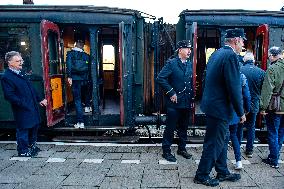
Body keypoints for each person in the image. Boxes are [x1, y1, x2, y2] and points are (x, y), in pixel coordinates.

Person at [194, 28, 246, 187]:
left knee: (222, 140)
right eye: (242, 40)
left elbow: (204, 77)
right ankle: (201, 175)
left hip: (212, 105)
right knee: (214, 142)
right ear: (236, 40)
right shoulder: (231, 56)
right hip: (220, 108)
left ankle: (222, 171)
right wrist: (241, 112)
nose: (243, 44)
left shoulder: (216, 54)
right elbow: (234, 87)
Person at [1, 51, 47, 157]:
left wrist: (39, 99)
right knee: (24, 129)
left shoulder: (21, 72)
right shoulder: (7, 77)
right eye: (18, 61)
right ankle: (23, 150)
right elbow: (9, 95)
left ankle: (32, 146)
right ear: (9, 62)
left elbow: (31, 88)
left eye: (21, 60)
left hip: (31, 105)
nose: (21, 62)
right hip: (22, 108)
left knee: (34, 126)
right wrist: (23, 104)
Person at [156, 40, 194, 162]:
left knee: (184, 127)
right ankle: (166, 151)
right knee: (170, 128)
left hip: (186, 101)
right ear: (180, 50)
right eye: (187, 48)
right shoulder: (171, 63)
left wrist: (192, 98)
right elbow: (160, 78)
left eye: (190, 49)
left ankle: (181, 148)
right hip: (174, 103)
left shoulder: (189, 64)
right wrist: (171, 92)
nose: (189, 51)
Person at [260, 46, 284, 169]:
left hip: (275, 107)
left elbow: (267, 90)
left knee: (273, 132)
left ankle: (273, 159)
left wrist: (263, 107)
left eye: (269, 56)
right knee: (281, 132)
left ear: (272, 56)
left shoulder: (272, 69)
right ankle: (276, 155)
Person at [240, 52, 265, 158]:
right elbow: (264, 89)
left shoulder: (239, 70)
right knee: (251, 127)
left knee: (239, 126)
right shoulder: (261, 72)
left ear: (244, 60)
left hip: (241, 104)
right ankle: (249, 150)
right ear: (253, 61)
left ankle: (238, 146)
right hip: (254, 103)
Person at [66, 37, 91, 129]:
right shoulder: (86, 55)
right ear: (83, 46)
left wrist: (69, 76)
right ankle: (87, 106)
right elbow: (88, 67)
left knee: (77, 100)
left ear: (75, 44)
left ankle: (80, 122)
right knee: (86, 93)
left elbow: (68, 65)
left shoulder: (70, 54)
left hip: (75, 79)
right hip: (84, 79)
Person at [229, 73, 250, 170]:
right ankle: (238, 161)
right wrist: (246, 110)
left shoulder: (221, 74)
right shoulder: (241, 76)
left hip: (222, 111)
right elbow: (246, 95)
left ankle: (219, 163)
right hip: (235, 111)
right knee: (234, 135)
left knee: (221, 137)